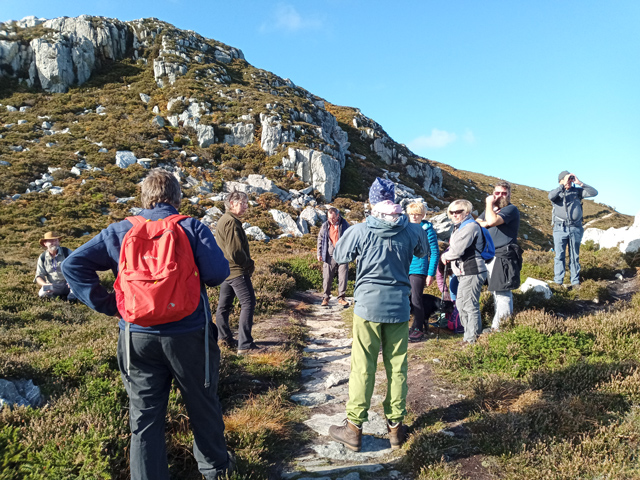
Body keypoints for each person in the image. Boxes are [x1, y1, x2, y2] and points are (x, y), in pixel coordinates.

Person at [61, 169, 234, 480]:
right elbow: (217, 274)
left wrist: (111, 306)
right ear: (177, 198)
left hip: (136, 336)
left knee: (144, 418)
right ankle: (216, 471)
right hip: (188, 334)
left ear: (143, 197)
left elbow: (71, 264)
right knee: (202, 404)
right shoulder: (191, 227)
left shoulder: (118, 231)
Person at [327, 177, 430, 452]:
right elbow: (424, 250)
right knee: (397, 368)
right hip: (399, 307)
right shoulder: (411, 229)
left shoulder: (362, 229)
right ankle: (395, 428)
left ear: (373, 201)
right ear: (395, 200)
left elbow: (339, 254)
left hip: (367, 308)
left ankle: (353, 429)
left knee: (363, 367)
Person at [215, 191, 260, 355]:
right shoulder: (232, 222)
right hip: (236, 271)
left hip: (225, 271)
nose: (246, 206)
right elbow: (235, 252)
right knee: (248, 303)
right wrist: (248, 264)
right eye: (243, 203)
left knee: (223, 307)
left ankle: (224, 338)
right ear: (232, 203)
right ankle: (245, 344)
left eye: (246, 203)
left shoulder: (223, 220)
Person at [440, 199, 488, 344]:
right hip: (464, 272)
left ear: (467, 212)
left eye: (458, 211)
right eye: (452, 212)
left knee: (469, 305)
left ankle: (471, 339)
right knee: (461, 305)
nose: (454, 214)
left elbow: (457, 250)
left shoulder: (470, 227)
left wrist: (444, 256)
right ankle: (471, 335)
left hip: (472, 271)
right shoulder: (459, 227)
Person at [476, 182, 521, 331]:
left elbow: (492, 221)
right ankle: (498, 325)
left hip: (504, 254)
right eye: (497, 193)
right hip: (490, 255)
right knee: (495, 291)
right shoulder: (494, 210)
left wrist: (489, 204)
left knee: (502, 292)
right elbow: (477, 222)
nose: (500, 196)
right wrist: (487, 220)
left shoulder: (510, 209)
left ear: (509, 194)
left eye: (504, 193)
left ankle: (501, 329)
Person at [548, 171, 598, 287]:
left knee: (574, 255)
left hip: (575, 228)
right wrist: (562, 186)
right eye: (566, 179)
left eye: (570, 179)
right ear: (560, 180)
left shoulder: (577, 191)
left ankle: (575, 282)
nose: (569, 181)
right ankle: (558, 281)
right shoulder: (556, 193)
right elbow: (550, 197)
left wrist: (580, 183)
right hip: (560, 228)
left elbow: (594, 193)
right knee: (559, 255)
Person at [406, 202, 440, 342]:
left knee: (416, 299)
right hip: (403, 268)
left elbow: (435, 253)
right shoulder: (405, 228)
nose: (415, 216)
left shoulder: (428, 230)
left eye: (418, 214)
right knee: (404, 299)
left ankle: (418, 329)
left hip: (418, 270)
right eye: (412, 213)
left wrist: (430, 273)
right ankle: (410, 326)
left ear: (423, 215)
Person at [317, 207, 350, 307]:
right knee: (327, 277)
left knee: (343, 277)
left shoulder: (344, 224)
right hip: (329, 255)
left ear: (338, 215)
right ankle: (326, 298)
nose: (331, 220)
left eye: (333, 218)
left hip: (343, 255)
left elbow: (350, 238)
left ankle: (341, 298)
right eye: (329, 217)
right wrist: (319, 254)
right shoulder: (325, 225)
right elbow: (320, 239)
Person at [34, 231, 76, 300]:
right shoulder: (43, 257)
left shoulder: (67, 252)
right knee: (41, 294)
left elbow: (77, 267)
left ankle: (71, 299)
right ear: (45, 244)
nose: (54, 243)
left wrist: (73, 280)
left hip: (68, 284)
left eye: (56, 240)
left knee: (75, 290)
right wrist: (45, 285)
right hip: (53, 285)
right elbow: (38, 276)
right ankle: (57, 299)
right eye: (51, 241)